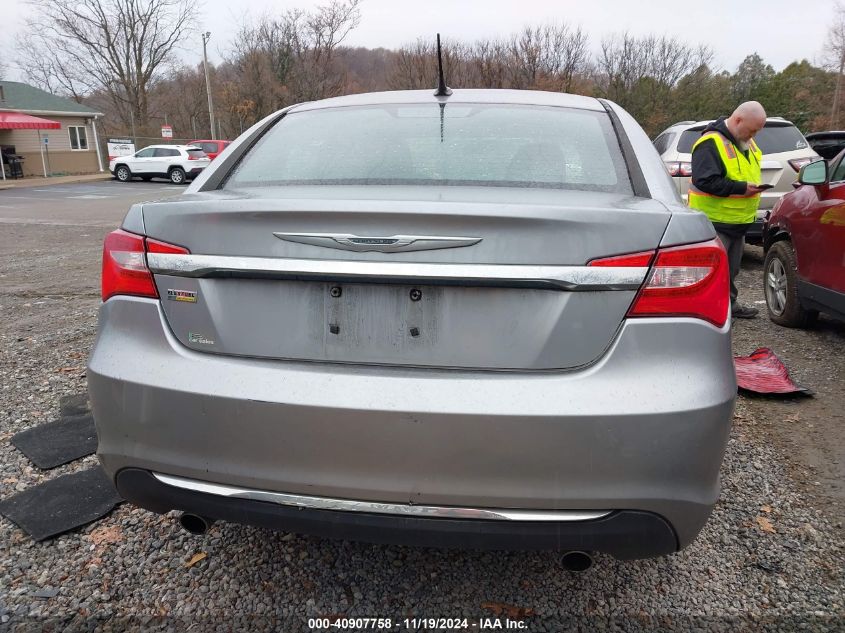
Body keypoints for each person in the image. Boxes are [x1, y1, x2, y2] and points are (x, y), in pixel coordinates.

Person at [689, 101, 768, 319]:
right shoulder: (710, 143)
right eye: (752, 129)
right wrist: (742, 189)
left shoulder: (746, 142)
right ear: (738, 120)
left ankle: (728, 305)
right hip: (714, 222)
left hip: (737, 222)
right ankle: (705, 312)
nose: (754, 135)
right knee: (712, 272)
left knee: (731, 270)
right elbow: (705, 181)